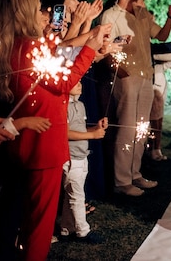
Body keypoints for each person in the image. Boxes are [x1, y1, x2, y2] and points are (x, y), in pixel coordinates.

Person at [0, 0, 108, 261]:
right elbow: (65, 81)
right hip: (43, 143)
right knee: (40, 225)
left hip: (26, 143)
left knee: (24, 216)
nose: (44, 14)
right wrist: (90, 49)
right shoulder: (30, 48)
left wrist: (91, 35)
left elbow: (59, 47)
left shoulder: (19, 45)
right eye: (38, 9)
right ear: (25, 14)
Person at [100, 0, 171, 197]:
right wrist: (121, 73)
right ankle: (121, 181)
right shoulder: (110, 15)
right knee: (126, 129)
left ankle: (135, 174)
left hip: (146, 75)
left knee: (141, 129)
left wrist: (170, 18)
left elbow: (161, 36)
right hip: (126, 77)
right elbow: (105, 47)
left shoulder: (143, 13)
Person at [59, 81, 107, 244]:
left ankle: (66, 228)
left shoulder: (80, 105)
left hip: (82, 155)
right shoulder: (63, 106)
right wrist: (93, 136)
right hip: (71, 158)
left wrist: (95, 128)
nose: (79, 84)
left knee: (71, 195)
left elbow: (80, 130)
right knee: (77, 196)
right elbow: (64, 133)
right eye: (74, 82)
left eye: (80, 81)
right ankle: (82, 232)